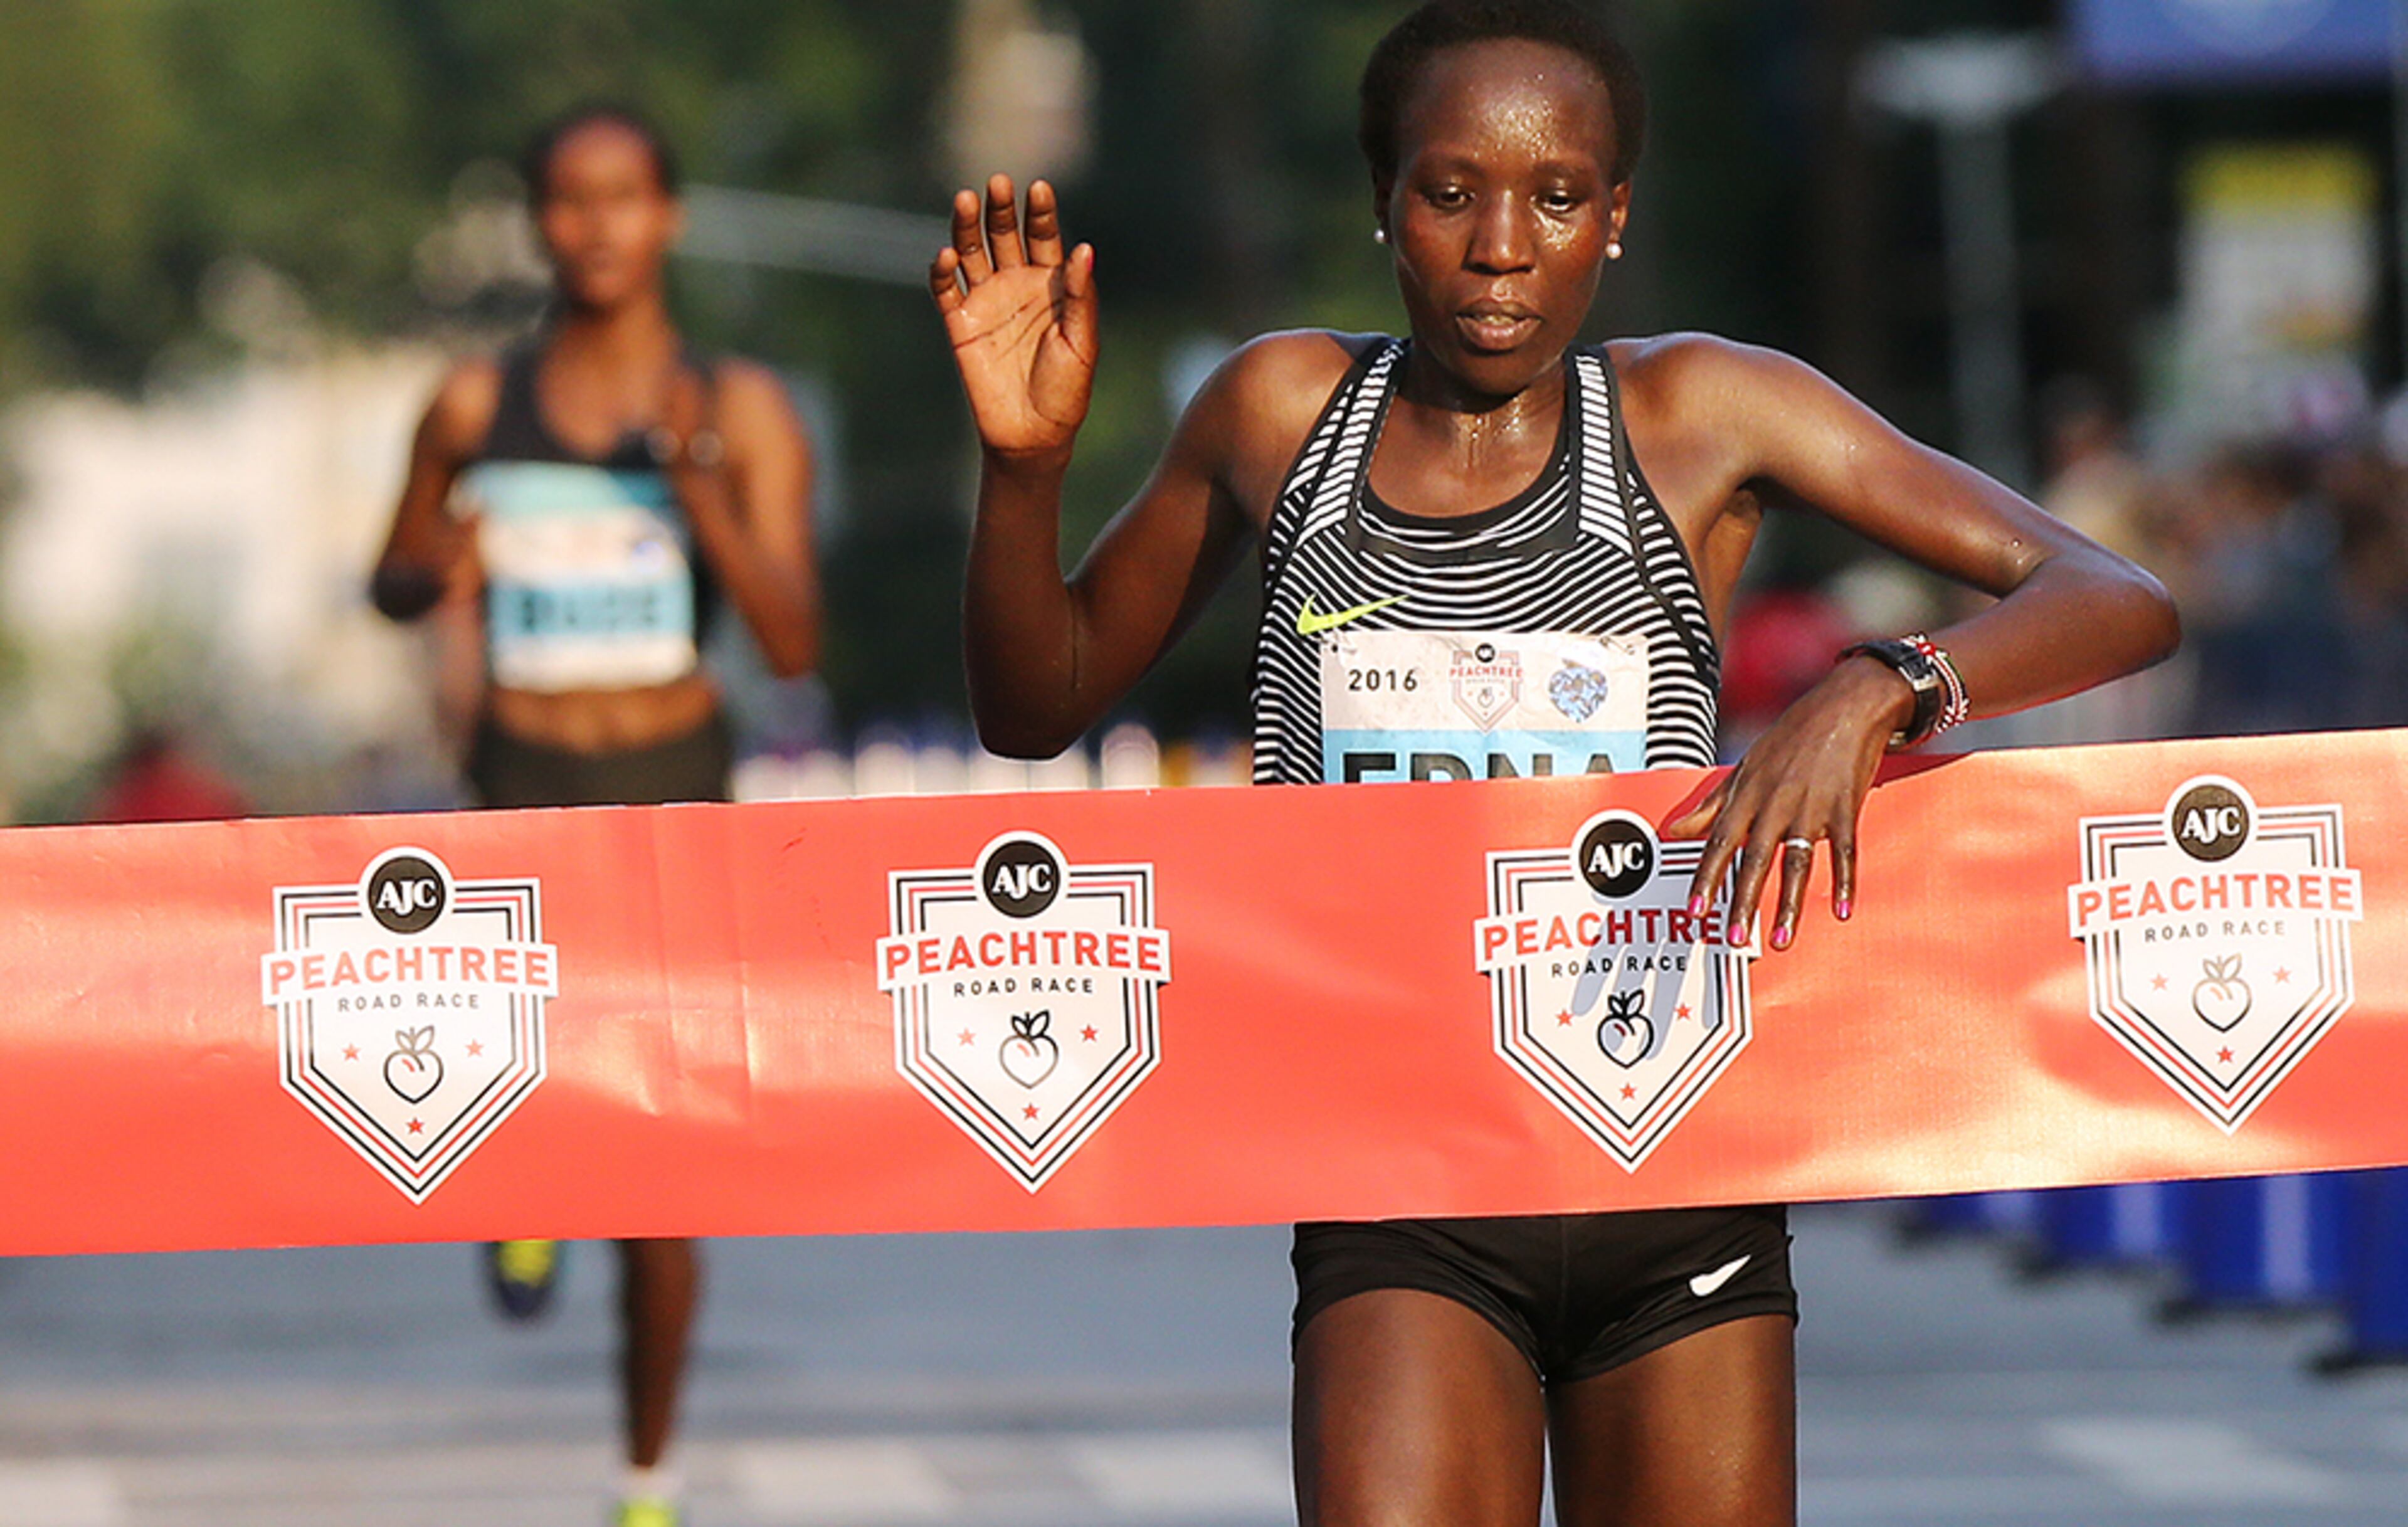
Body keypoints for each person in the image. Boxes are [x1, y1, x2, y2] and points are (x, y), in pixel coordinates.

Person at [931, 3, 2177, 1523]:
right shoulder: (1279, 414)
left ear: (1617, 218)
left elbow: (2114, 595)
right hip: (1402, 1182)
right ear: (1384, 204)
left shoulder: (1698, 415)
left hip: (1673, 1166)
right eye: (1451, 193)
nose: (1503, 247)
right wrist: (1024, 469)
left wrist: (1885, 685)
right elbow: (1035, 698)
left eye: (1557, 197)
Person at [372, 102, 821, 1527]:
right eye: (568, 200)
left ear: (669, 217)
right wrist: (423, 558)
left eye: (624, 197)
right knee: (529, 1082)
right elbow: (389, 574)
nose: (597, 226)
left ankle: (646, 1483)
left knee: (665, 1181)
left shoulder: (734, 405)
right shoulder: (468, 405)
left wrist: (694, 482)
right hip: (523, 786)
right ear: (538, 222)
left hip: (674, 786)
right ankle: (517, 1191)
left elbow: (794, 638)